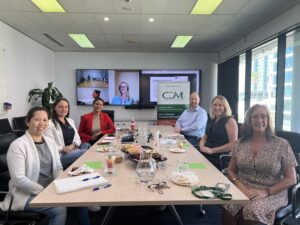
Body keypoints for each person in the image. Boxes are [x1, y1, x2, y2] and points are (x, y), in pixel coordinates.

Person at [0, 106, 90, 225]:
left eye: (45, 120)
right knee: (58, 209)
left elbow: (58, 168)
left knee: (78, 197)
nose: (42, 123)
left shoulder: (50, 142)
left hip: (51, 189)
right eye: (37, 119)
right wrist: (44, 191)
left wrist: (62, 184)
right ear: (28, 122)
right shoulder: (18, 146)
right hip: (26, 194)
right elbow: (18, 180)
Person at [223, 104, 298, 225]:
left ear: (268, 120)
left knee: (250, 210)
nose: (259, 120)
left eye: (263, 116)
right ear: (249, 120)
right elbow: (230, 170)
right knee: (228, 205)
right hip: (243, 187)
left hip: (272, 191)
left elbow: (291, 179)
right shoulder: (239, 143)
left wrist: (266, 192)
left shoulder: (282, 145)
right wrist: (240, 185)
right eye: (255, 117)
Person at [45, 98, 89, 169]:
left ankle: (80, 168)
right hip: (60, 155)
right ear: (55, 108)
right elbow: (49, 145)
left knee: (87, 145)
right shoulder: (49, 123)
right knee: (86, 152)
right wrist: (63, 148)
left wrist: (73, 146)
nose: (64, 109)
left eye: (66, 107)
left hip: (73, 149)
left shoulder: (70, 121)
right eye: (60, 107)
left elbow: (78, 139)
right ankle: (94, 167)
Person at [199, 95, 238, 170]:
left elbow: (233, 144)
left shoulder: (230, 121)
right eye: (215, 105)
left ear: (225, 107)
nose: (217, 107)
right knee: (189, 163)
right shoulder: (213, 120)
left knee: (197, 169)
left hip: (218, 158)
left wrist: (212, 150)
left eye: (220, 105)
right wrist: (201, 147)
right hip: (206, 154)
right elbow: (204, 138)